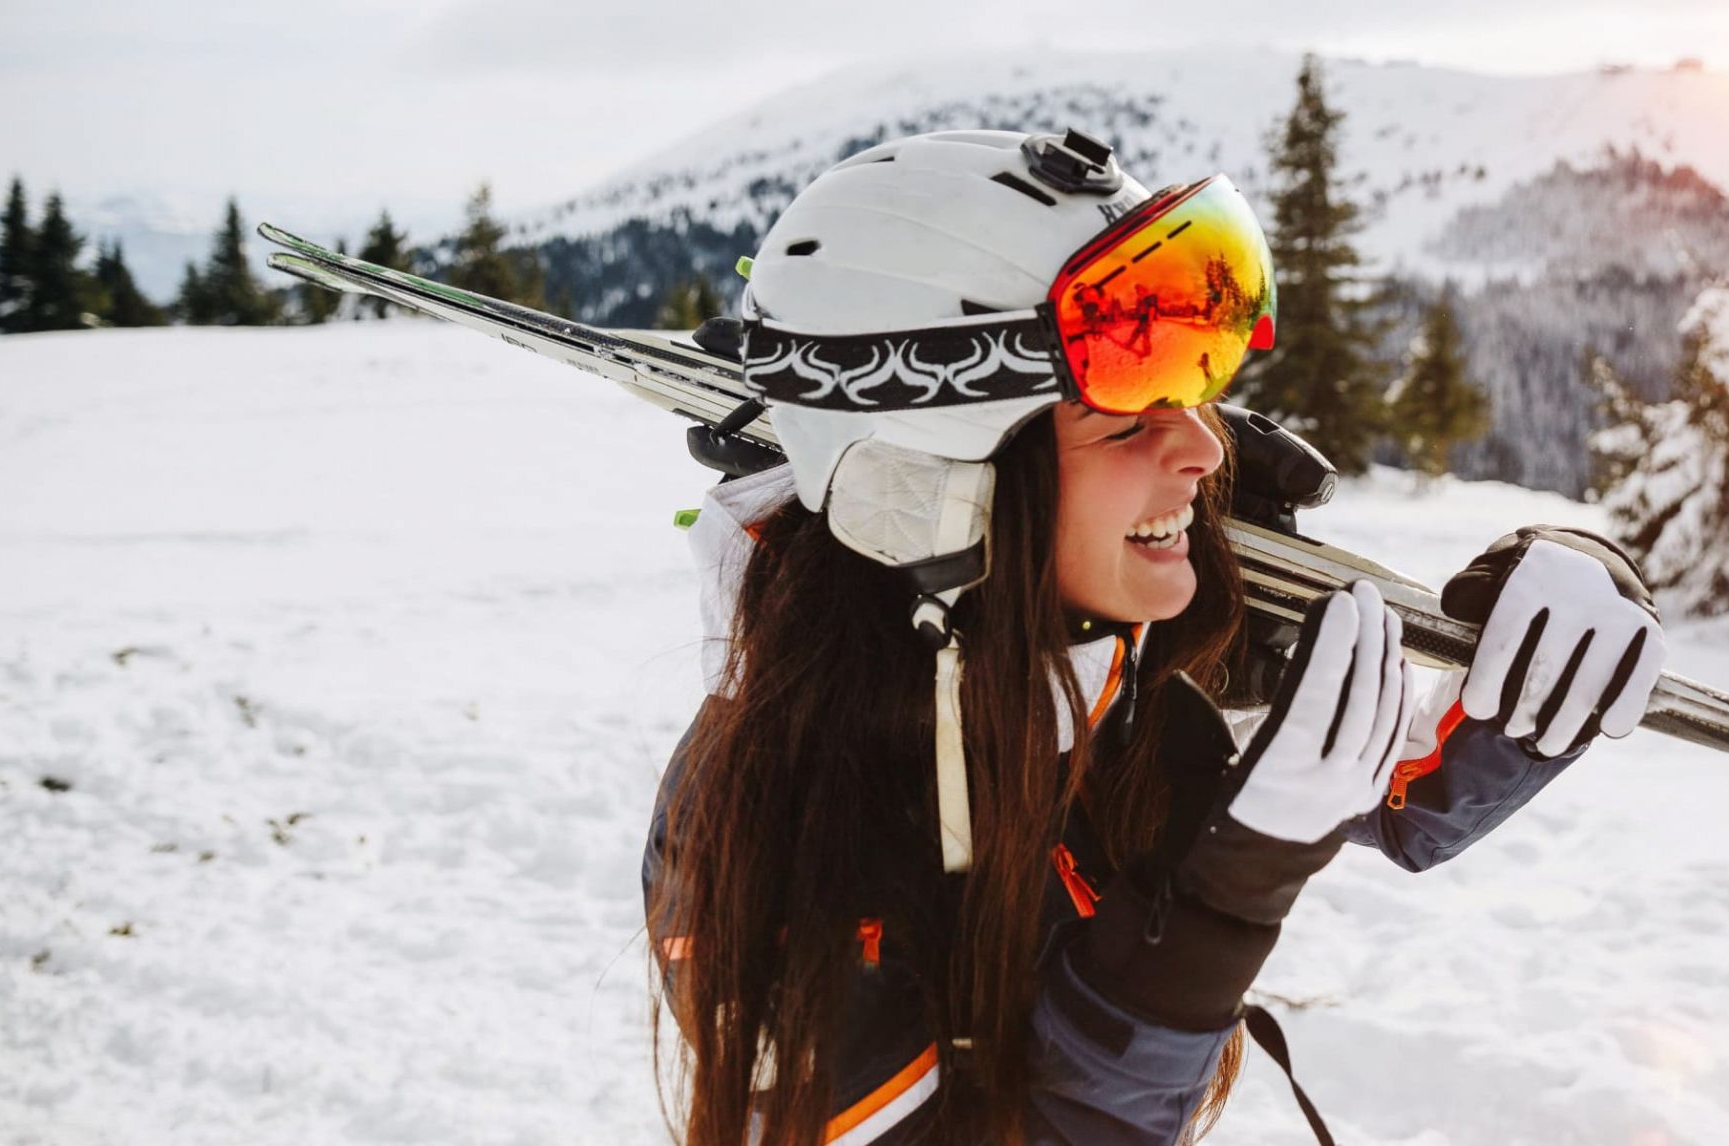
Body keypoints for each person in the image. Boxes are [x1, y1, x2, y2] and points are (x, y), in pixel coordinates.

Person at [642, 129, 1669, 1146]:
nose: (1205, 445)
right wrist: (1211, 919)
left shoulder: (1095, 646)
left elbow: (1398, 777)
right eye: (1126, 421)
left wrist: (1546, 636)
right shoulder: (769, 826)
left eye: (1190, 394)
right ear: (933, 487)